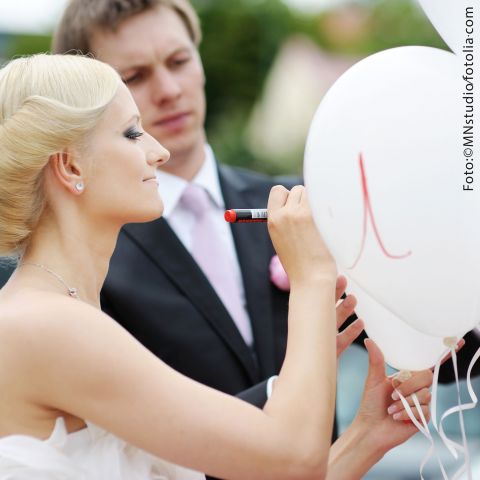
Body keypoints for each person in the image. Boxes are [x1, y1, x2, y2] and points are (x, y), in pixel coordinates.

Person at [0, 53, 429, 479]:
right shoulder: (48, 324)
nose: (159, 152)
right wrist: (312, 276)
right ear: (71, 164)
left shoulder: (62, 314)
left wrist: (364, 437)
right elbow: (294, 457)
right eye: (132, 133)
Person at [52, 0, 442, 416]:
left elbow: (418, 339)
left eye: (179, 60)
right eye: (134, 76)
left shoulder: (300, 202)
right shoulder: (91, 256)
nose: (169, 89)